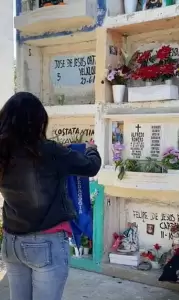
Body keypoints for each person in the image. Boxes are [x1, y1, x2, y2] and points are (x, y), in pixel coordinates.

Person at [0, 92, 102, 300]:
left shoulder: (3, 152)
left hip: (11, 241)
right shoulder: (49, 151)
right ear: (39, 121)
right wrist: (92, 150)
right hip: (46, 242)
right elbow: (91, 167)